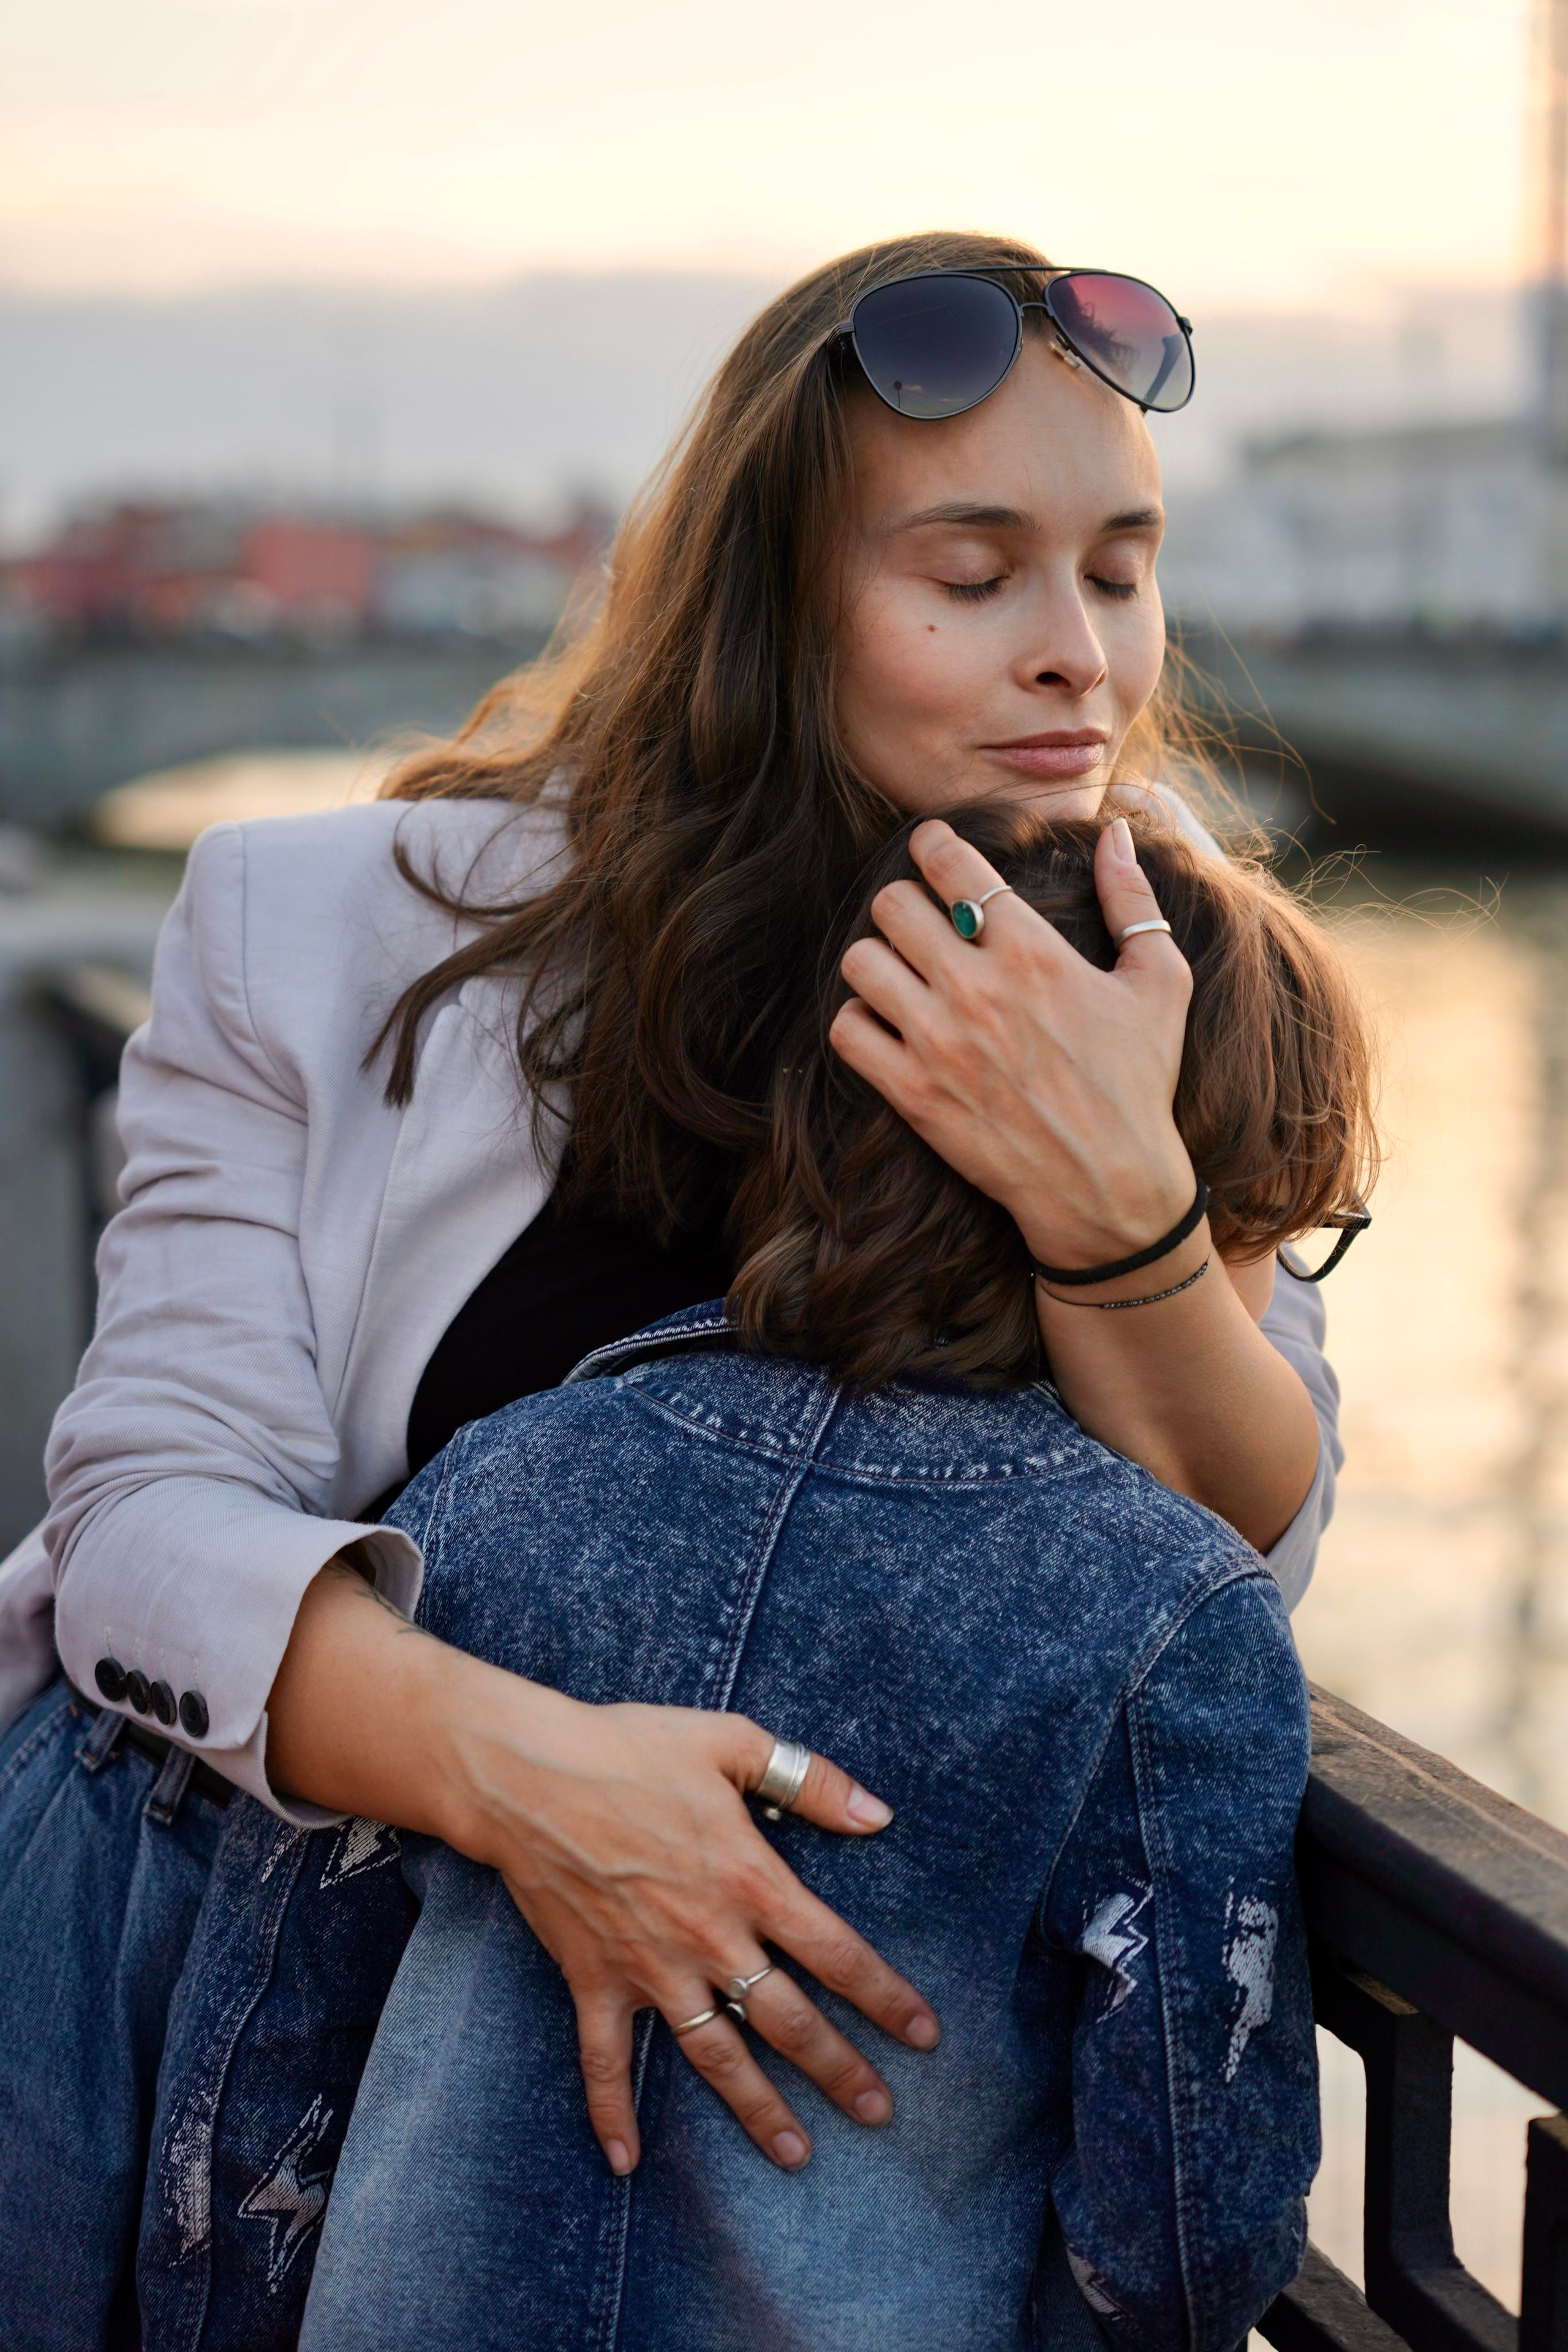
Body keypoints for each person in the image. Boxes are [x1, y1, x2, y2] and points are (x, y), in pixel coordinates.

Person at [0, 229, 1343, 2241]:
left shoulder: (1156, 950)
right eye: (974, 574)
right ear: (772, 604)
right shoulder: (329, 928)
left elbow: (1239, 1559)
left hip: (840, 2144)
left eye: (1122, 569)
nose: (1083, 652)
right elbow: (138, 1525)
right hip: (264, 2025)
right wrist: (538, 1784)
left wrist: (1118, 1207)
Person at [115, 806, 1366, 2351]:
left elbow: (266, 2057)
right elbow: (1180, 2227)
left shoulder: (488, 1487)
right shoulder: (1172, 1616)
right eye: (1291, 1240)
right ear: (1217, 1199)